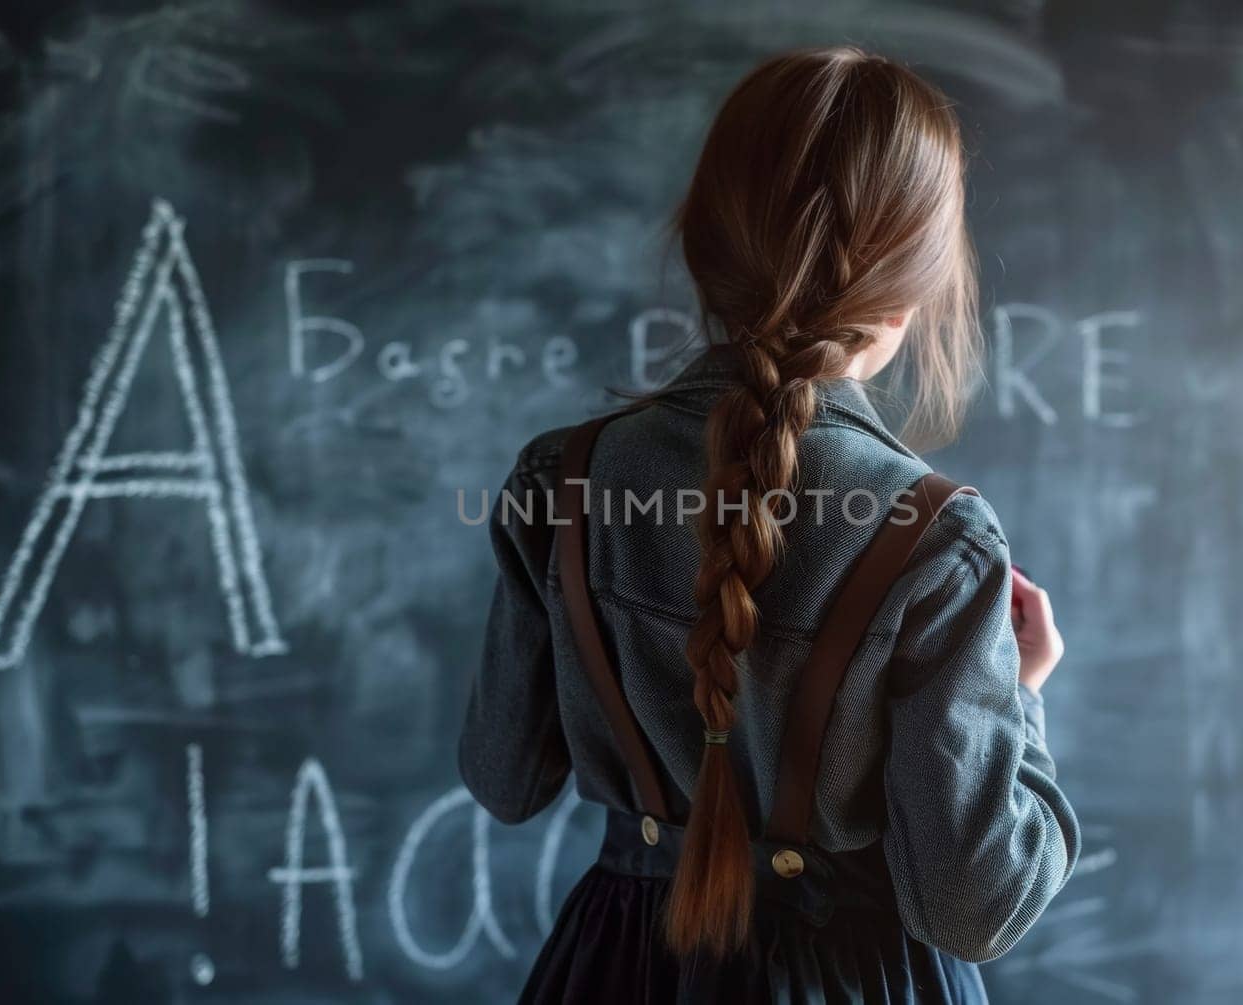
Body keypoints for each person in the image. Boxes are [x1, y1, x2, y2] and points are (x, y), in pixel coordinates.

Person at [459, 45, 1080, 1004]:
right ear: (915, 284)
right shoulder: (937, 544)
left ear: (706, 245)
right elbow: (973, 907)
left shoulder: (562, 481)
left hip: (618, 971)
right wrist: (1022, 703)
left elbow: (505, 779)